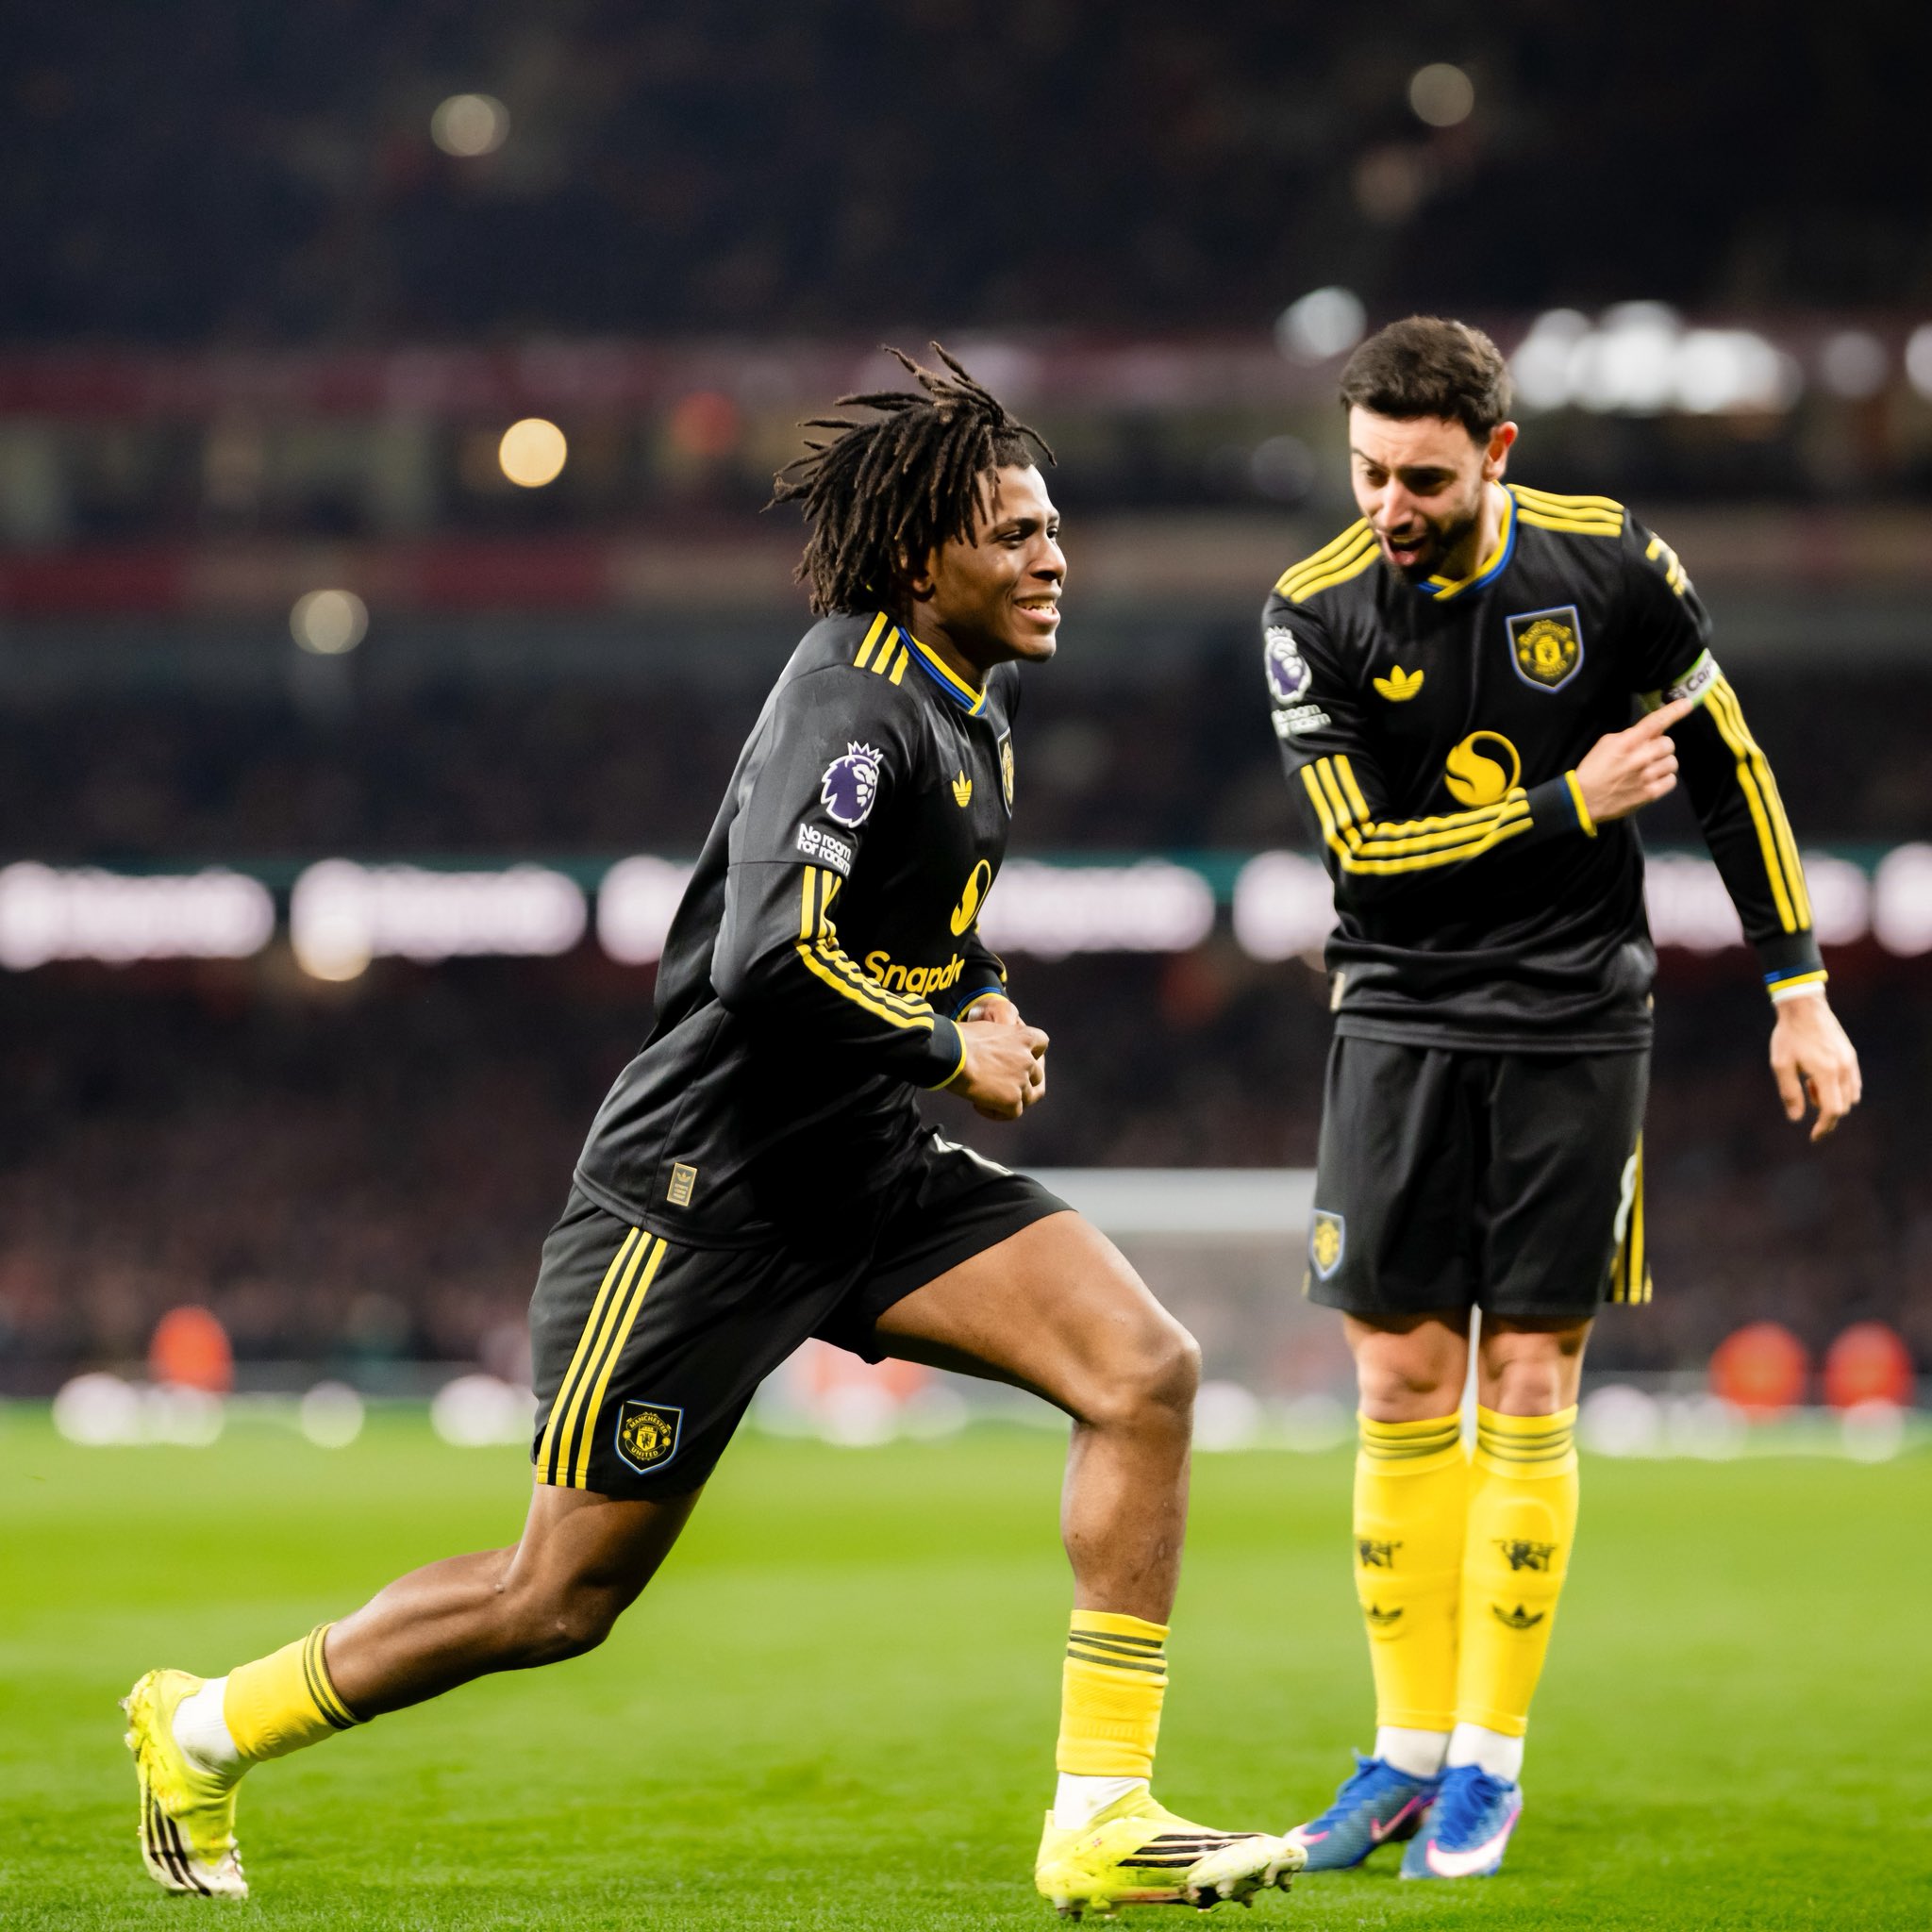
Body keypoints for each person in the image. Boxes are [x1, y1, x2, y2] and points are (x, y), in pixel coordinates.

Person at [123, 347, 1299, 1919]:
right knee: (555, 1599)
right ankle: (204, 1729)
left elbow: (924, 922)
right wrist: (948, 1049)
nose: (1053, 557)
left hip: (864, 1173)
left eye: (1054, 527)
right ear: (918, 562)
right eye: (1015, 534)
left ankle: (1103, 1814)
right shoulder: (851, 701)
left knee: (1144, 1372)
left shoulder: (977, 699)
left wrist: (981, 1000)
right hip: (703, 1199)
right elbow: (766, 958)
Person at [1260, 317, 1860, 1880]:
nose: (1388, 506)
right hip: (1398, 1010)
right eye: (1368, 473)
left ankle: (1489, 1762)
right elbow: (1365, 858)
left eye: (1422, 479)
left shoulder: (1611, 565)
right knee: (1402, 1384)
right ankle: (1402, 1754)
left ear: (1497, 455)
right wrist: (1569, 802)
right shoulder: (1313, 609)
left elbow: (1728, 763)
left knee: (1528, 1382)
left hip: (1576, 1017)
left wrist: (1798, 987)